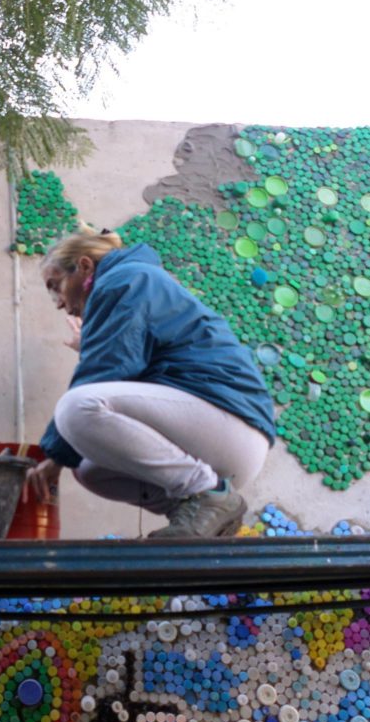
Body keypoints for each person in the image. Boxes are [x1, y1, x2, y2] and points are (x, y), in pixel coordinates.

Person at [25, 226, 275, 538]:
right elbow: (123, 365)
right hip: (219, 435)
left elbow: (107, 369)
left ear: (86, 267)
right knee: (91, 470)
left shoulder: (125, 279)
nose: (58, 302)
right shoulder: (132, 282)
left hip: (232, 426)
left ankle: (206, 494)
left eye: (55, 286)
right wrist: (89, 345)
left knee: (76, 409)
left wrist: (54, 457)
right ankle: (195, 514)